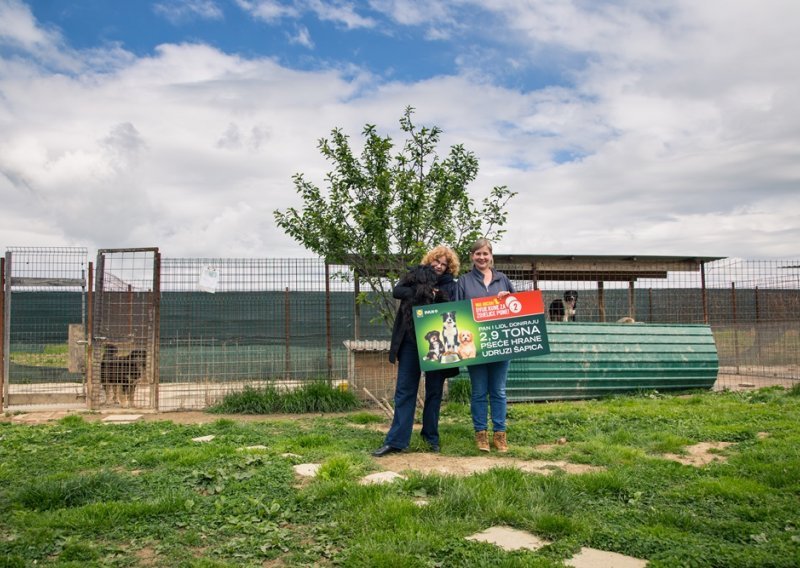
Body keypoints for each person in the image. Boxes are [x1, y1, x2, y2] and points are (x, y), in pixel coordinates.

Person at [372, 246, 461, 456]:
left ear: (449, 267)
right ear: (430, 260)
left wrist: (438, 295)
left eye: (444, 264)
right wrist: (423, 291)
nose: (439, 266)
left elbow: (454, 304)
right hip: (411, 341)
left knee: (434, 391)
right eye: (436, 262)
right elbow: (397, 291)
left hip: (438, 344)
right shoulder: (415, 275)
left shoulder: (452, 285)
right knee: (405, 390)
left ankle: (431, 437)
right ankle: (396, 440)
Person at [456, 238, 515, 453]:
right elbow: (458, 311)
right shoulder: (463, 281)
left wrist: (507, 298)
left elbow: (517, 308)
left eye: (485, 254)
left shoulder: (503, 279)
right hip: (476, 347)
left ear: (491, 256)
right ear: (472, 256)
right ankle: (480, 434)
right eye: (477, 254)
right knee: (479, 392)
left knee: (498, 391)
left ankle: (500, 435)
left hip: (501, 345)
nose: (482, 257)